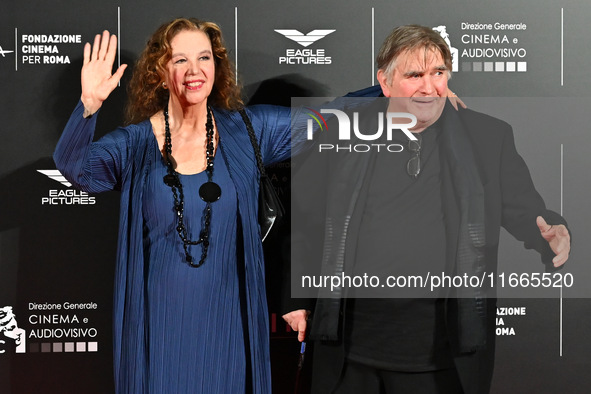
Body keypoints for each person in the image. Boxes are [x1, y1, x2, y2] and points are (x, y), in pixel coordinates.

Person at [283, 24, 571, 394]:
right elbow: (305, 220)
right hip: (349, 353)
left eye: (438, 73)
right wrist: (294, 297)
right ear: (384, 83)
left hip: (442, 357)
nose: (429, 87)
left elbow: (526, 210)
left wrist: (552, 233)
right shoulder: (343, 133)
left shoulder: (487, 136)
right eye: (415, 75)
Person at [54, 17, 297, 393]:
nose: (194, 70)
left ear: (217, 67)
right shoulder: (133, 144)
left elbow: (330, 121)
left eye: (204, 58)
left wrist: (395, 97)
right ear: (160, 72)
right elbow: (76, 169)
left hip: (228, 324)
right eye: (179, 60)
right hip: (159, 325)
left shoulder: (250, 130)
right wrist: (89, 105)